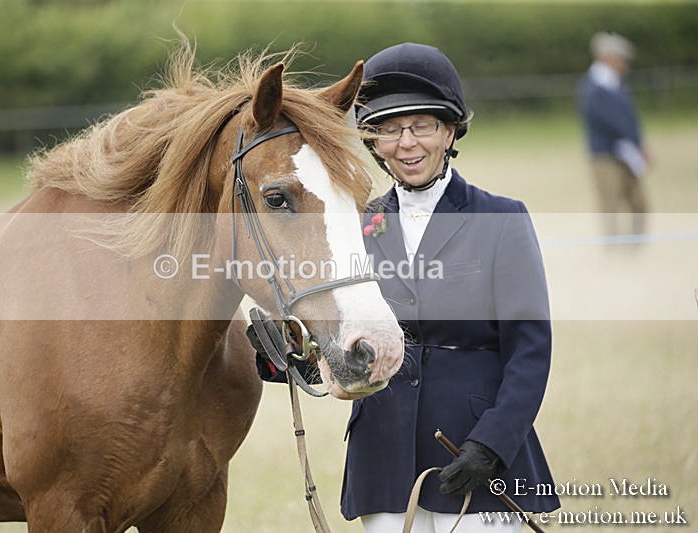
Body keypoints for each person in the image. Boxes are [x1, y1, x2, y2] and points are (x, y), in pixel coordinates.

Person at [252, 42, 560, 532]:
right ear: (373, 142)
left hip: (474, 452)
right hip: (384, 459)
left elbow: (530, 351)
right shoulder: (357, 221)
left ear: (450, 130)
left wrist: (494, 443)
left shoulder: (501, 218)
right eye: (390, 130)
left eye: (422, 126)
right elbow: (337, 337)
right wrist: (283, 354)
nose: (407, 143)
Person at [577, 31, 649, 237]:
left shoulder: (616, 84)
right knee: (610, 204)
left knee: (638, 202)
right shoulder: (593, 86)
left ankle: (635, 247)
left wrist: (638, 143)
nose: (624, 63)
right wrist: (633, 141)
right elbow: (609, 120)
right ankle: (612, 249)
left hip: (627, 151)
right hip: (604, 153)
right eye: (620, 58)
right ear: (606, 57)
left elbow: (630, 118)